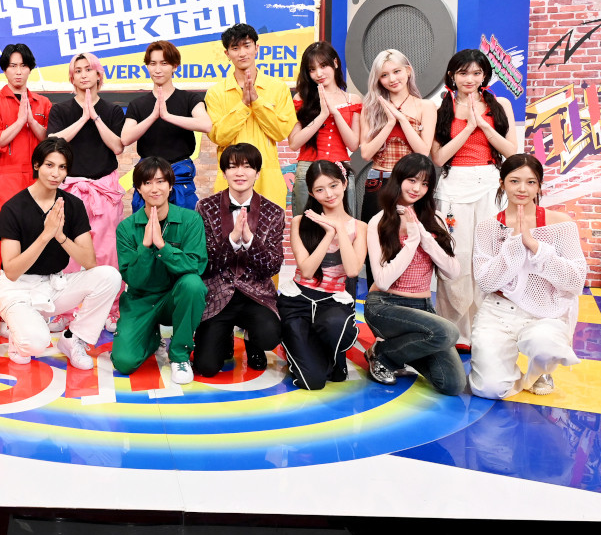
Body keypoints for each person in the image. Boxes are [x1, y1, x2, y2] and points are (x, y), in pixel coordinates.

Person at [0, 138, 121, 368]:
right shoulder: (13, 208)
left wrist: (60, 236)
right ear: (36, 165)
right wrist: (45, 235)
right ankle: (19, 333)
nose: (55, 173)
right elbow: (11, 271)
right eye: (49, 165)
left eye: (62, 167)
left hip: (54, 286)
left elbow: (90, 262)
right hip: (18, 289)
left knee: (109, 276)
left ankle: (73, 339)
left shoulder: (72, 205)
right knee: (36, 344)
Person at [470, 154, 585, 398]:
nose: (522, 189)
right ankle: (509, 372)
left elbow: (575, 281)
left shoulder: (561, 224)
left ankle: (539, 372)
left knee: (546, 345)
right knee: (488, 388)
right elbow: (486, 282)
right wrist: (513, 245)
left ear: (539, 186)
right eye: (514, 181)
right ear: (502, 184)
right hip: (499, 312)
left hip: (546, 313)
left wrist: (535, 246)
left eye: (531, 182)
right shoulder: (487, 227)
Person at [430, 49, 517, 347]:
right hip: (454, 184)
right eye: (463, 72)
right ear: (452, 75)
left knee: (488, 256)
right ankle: (455, 333)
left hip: (490, 185)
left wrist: (483, 126)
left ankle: (486, 331)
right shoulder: (441, 107)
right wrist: (467, 128)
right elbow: (438, 157)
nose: (470, 79)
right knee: (456, 257)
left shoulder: (500, 104)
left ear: (485, 76)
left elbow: (512, 152)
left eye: (477, 73)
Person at [363, 154, 466, 395]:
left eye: (425, 183)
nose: (417, 188)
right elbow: (382, 280)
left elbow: (452, 271)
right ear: (398, 179)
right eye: (412, 180)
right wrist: (411, 242)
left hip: (423, 307)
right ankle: (384, 356)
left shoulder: (434, 219)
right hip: (385, 306)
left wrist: (424, 237)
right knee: (448, 332)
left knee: (453, 384)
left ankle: (393, 351)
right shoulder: (379, 221)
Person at [47, 52, 126, 331]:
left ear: (98, 75)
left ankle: (110, 310)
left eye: (88, 69)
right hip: (71, 189)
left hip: (103, 189)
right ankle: (65, 312)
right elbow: (53, 142)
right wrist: (82, 118)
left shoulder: (112, 111)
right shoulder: (61, 110)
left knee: (106, 254)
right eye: (78, 70)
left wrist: (95, 117)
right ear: (72, 77)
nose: (83, 75)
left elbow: (118, 146)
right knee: (67, 254)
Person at [113, 156, 209, 384]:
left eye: (160, 181)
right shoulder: (126, 228)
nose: (154, 189)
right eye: (147, 183)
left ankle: (179, 355)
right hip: (141, 301)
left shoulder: (191, 220)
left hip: (174, 297)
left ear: (170, 185)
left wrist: (163, 247)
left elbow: (196, 265)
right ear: (138, 188)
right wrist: (146, 247)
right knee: (124, 362)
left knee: (193, 284)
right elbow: (133, 279)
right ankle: (151, 338)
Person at [193, 144, 284, 378]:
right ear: (224, 173)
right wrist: (232, 241)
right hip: (218, 293)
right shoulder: (206, 207)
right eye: (233, 167)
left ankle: (252, 340)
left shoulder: (274, 212)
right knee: (206, 367)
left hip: (255, 293)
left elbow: (272, 266)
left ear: (257, 173)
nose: (240, 173)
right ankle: (223, 337)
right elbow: (205, 264)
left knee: (269, 336)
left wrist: (251, 241)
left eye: (247, 167)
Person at [278, 160, 367, 390]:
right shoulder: (300, 222)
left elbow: (352, 270)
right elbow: (307, 271)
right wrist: (328, 233)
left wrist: (339, 228)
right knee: (313, 382)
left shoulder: (359, 227)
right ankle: (299, 346)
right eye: (320, 189)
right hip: (298, 302)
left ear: (344, 184)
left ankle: (318, 351)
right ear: (311, 193)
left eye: (333, 185)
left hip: (333, 301)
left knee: (337, 335)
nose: (329, 194)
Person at [357, 50, 436, 286]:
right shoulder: (371, 107)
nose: (392, 79)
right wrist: (389, 122)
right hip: (379, 180)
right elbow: (366, 153)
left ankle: (407, 296)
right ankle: (375, 300)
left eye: (397, 71)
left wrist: (401, 119)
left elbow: (423, 151)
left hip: (411, 184)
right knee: (376, 244)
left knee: (410, 242)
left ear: (408, 71)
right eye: (384, 75)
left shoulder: (425, 106)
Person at [204, 24, 297, 209]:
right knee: (228, 227)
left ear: (257, 48)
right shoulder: (215, 93)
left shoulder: (278, 88)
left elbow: (280, 132)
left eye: (247, 46)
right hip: (230, 179)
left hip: (267, 179)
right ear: (227, 53)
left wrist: (257, 102)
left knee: (269, 227)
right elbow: (219, 136)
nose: (242, 53)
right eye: (235, 48)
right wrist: (243, 105)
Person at [0, 43, 51, 283]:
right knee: (6, 238)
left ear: (30, 68)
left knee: (41, 235)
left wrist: (31, 120)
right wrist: (20, 123)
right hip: (7, 178)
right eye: (12, 66)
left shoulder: (42, 103)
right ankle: (4, 300)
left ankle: (41, 295)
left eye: (23, 66)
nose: (18, 71)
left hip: (40, 179)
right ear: (5, 69)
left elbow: (51, 141)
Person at [121, 40, 212, 211]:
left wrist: (168, 116)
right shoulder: (137, 104)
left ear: (175, 66)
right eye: (152, 63)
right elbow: (125, 138)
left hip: (180, 175)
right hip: (148, 176)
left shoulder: (190, 99)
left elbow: (206, 124)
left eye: (164, 63)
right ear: (147, 67)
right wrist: (153, 116)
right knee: (146, 226)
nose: (158, 69)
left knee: (184, 224)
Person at [287, 42, 361, 216]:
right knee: (307, 225)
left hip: (340, 169)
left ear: (335, 63)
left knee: (346, 225)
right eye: (312, 69)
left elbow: (353, 144)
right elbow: (294, 143)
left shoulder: (352, 100)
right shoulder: (301, 98)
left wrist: (335, 113)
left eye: (323, 66)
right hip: (308, 169)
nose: (318, 74)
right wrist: (322, 115)